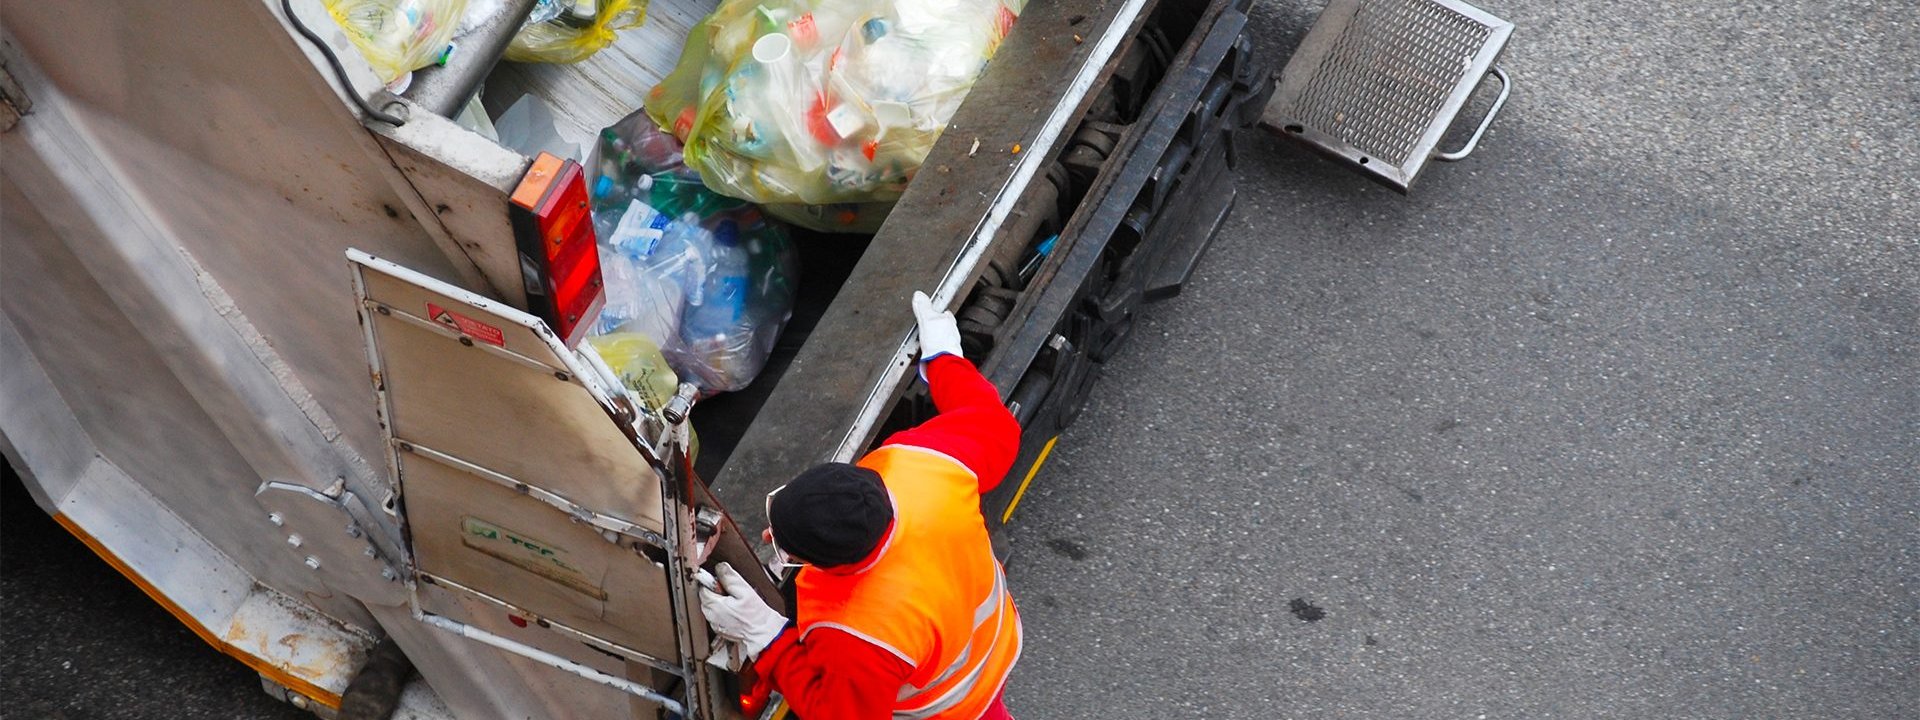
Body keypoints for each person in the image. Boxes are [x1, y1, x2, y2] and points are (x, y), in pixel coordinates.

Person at [697, 291, 1023, 720]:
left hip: (949, 707)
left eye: (784, 546)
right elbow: (994, 424)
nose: (767, 536)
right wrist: (944, 356)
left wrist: (769, 639)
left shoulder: (858, 631)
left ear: (836, 566)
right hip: (985, 652)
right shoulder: (919, 464)